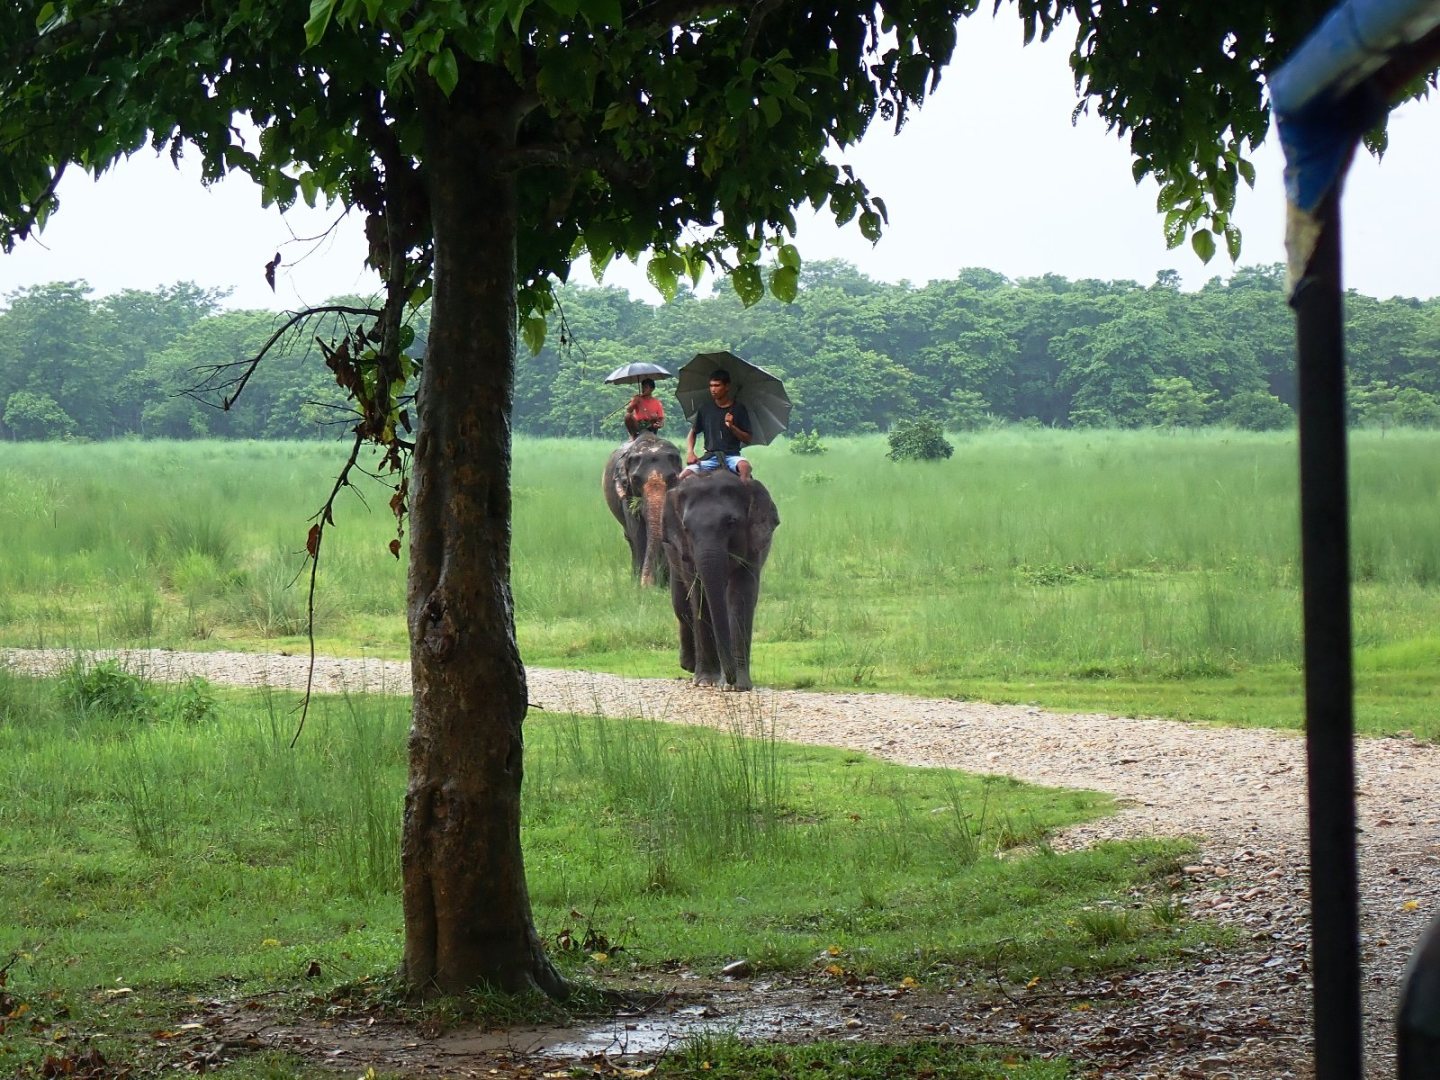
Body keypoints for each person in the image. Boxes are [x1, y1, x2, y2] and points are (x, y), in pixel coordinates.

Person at [682, 368, 753, 480]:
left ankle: (746, 494)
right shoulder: (705, 408)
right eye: (711, 386)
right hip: (710, 457)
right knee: (683, 476)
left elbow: (748, 439)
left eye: (717, 385)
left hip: (731, 456)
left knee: (745, 467)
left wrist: (732, 427)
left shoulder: (739, 408)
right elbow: (693, 432)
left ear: (727, 387)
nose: (713, 389)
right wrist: (691, 452)